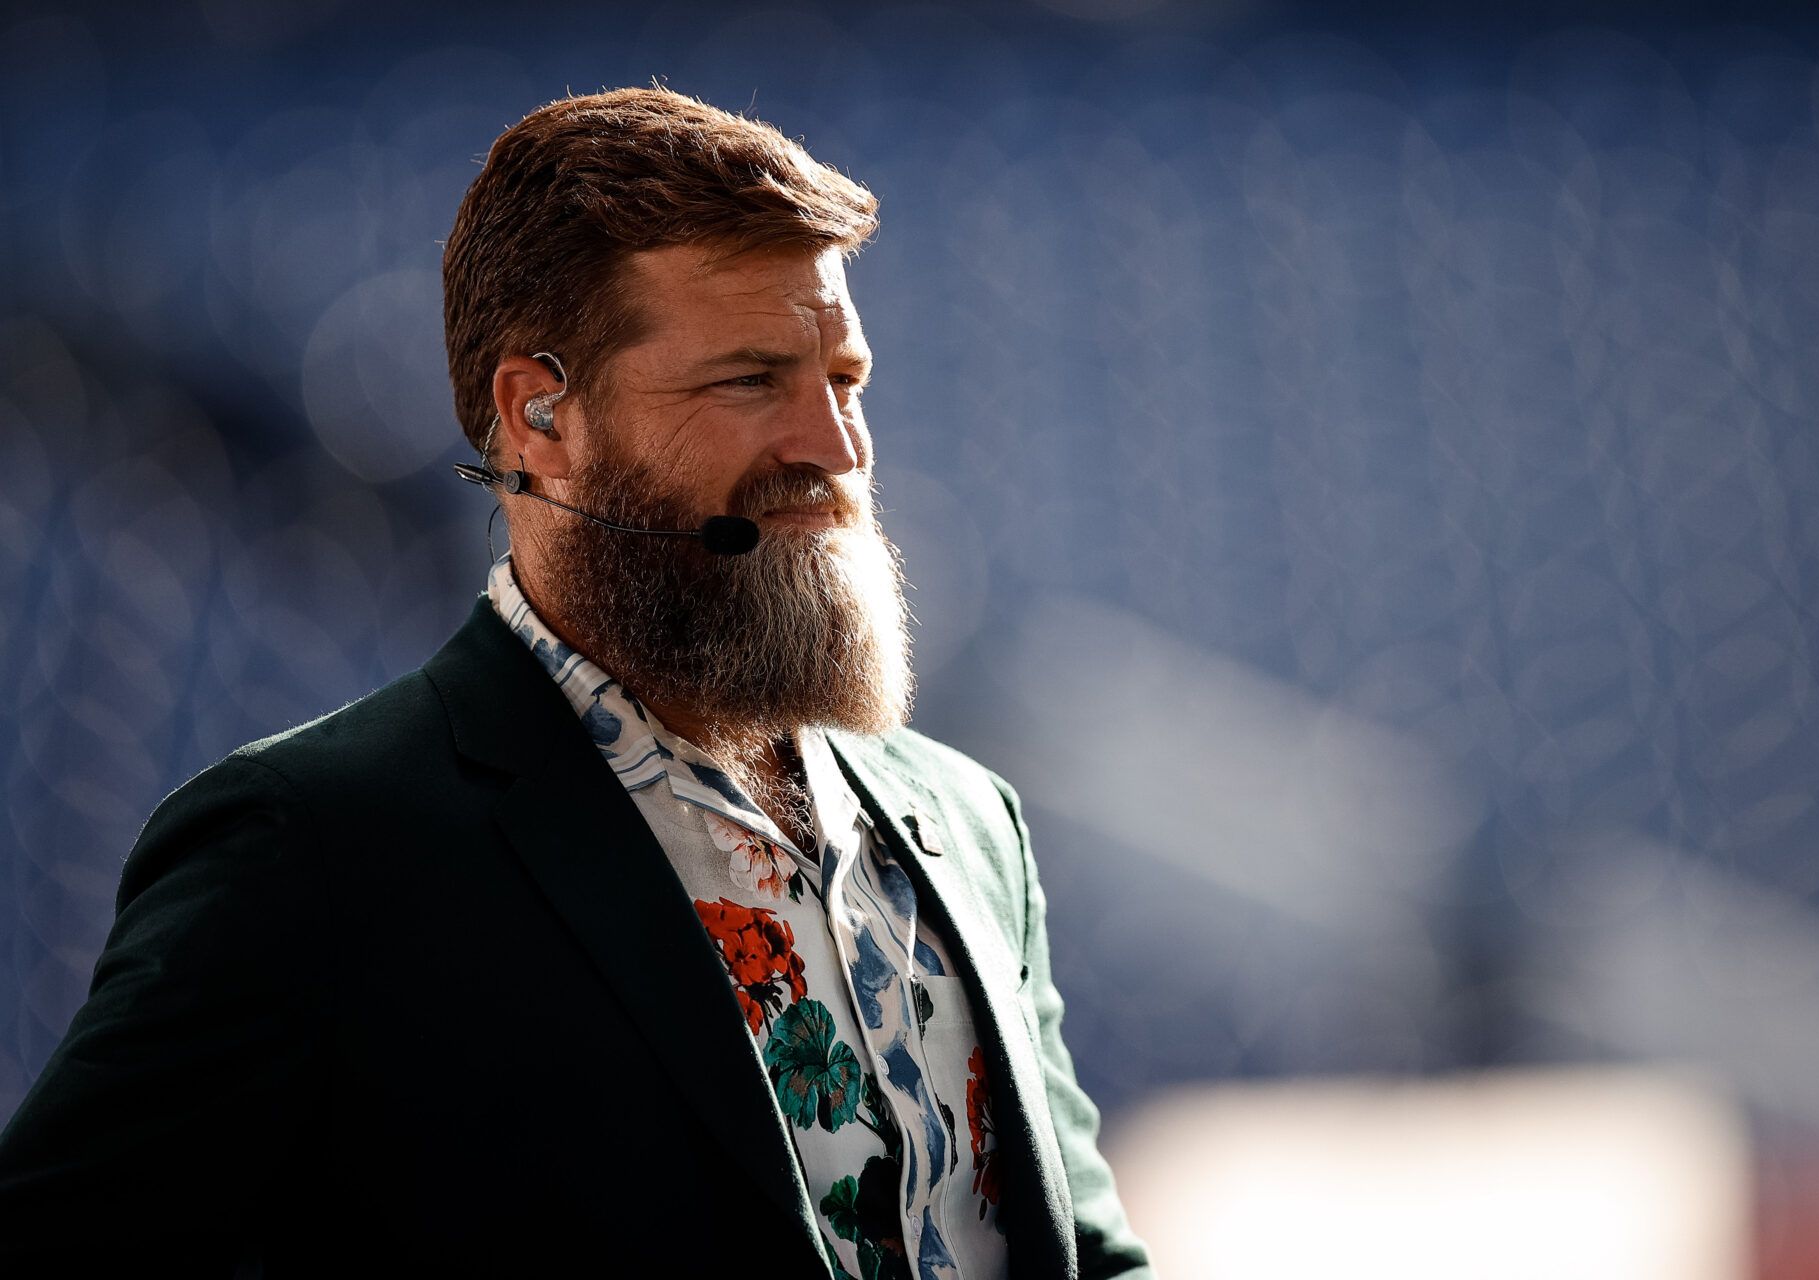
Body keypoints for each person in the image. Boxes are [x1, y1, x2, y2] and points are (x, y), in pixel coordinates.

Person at [0, 87, 1154, 1278]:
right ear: (539, 413)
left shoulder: (970, 823)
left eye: (844, 381)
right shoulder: (308, 850)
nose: (836, 445)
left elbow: (1085, 1250)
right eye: (751, 379)